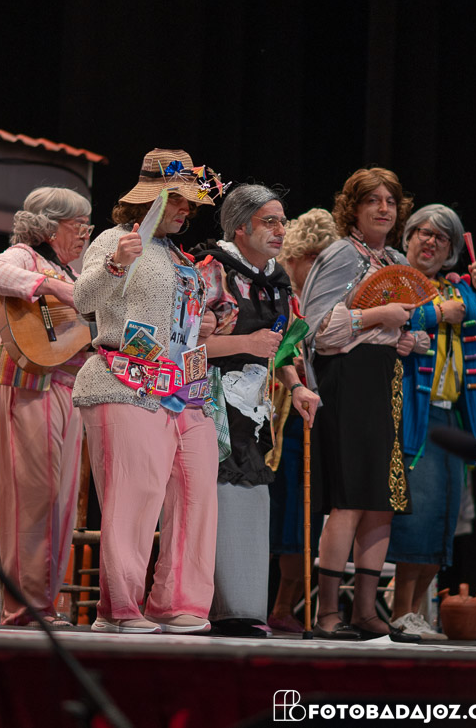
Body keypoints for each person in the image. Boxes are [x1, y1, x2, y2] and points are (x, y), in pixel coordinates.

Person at [72, 148, 221, 634]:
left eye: (190, 203)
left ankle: (176, 602)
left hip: (183, 387)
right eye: (178, 200)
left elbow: (178, 319)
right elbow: (82, 300)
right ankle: (118, 609)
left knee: (197, 493)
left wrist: (206, 321)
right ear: (151, 198)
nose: (186, 210)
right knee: (135, 495)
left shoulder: (177, 254)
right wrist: (116, 263)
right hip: (125, 380)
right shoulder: (116, 238)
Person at [192, 184, 320, 638]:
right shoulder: (210, 271)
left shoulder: (277, 281)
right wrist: (247, 342)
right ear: (240, 227)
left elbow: (280, 348)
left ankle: (244, 609)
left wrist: (296, 386)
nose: (280, 230)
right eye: (269, 221)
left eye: (282, 221)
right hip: (206, 404)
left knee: (251, 497)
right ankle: (210, 607)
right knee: (215, 500)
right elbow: (186, 345)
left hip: (254, 408)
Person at [301, 166, 421, 642]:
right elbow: (316, 330)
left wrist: (402, 337)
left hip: (384, 379)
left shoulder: (393, 258)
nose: (383, 208)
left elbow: (390, 327)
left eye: (390, 201)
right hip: (345, 380)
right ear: (353, 209)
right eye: (373, 200)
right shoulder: (340, 254)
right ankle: (328, 611)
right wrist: (377, 315)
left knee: (381, 500)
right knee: (349, 499)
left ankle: (367, 612)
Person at [386, 204, 476, 639]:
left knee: (444, 518)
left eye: (441, 237)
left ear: (452, 249)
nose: (430, 241)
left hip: (455, 417)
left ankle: (414, 613)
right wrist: (438, 314)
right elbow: (390, 318)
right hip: (414, 412)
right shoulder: (396, 279)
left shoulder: (461, 289)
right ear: (408, 237)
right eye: (423, 232)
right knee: (418, 514)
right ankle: (400, 611)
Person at [0, 187, 93, 627]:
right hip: (30, 384)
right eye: (77, 224)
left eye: (87, 224)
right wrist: (55, 287)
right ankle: (24, 606)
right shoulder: (25, 255)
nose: (84, 233)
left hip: (69, 387)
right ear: (49, 226)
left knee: (60, 501)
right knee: (32, 496)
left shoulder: (74, 270)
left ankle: (43, 603)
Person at [266, 208, 338, 633]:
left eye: (323, 259)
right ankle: (240, 603)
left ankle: (282, 607)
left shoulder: (326, 299)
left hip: (307, 415)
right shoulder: (274, 291)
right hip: (269, 416)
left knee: (301, 515)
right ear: (292, 256)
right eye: (311, 257)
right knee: (268, 512)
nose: (316, 268)